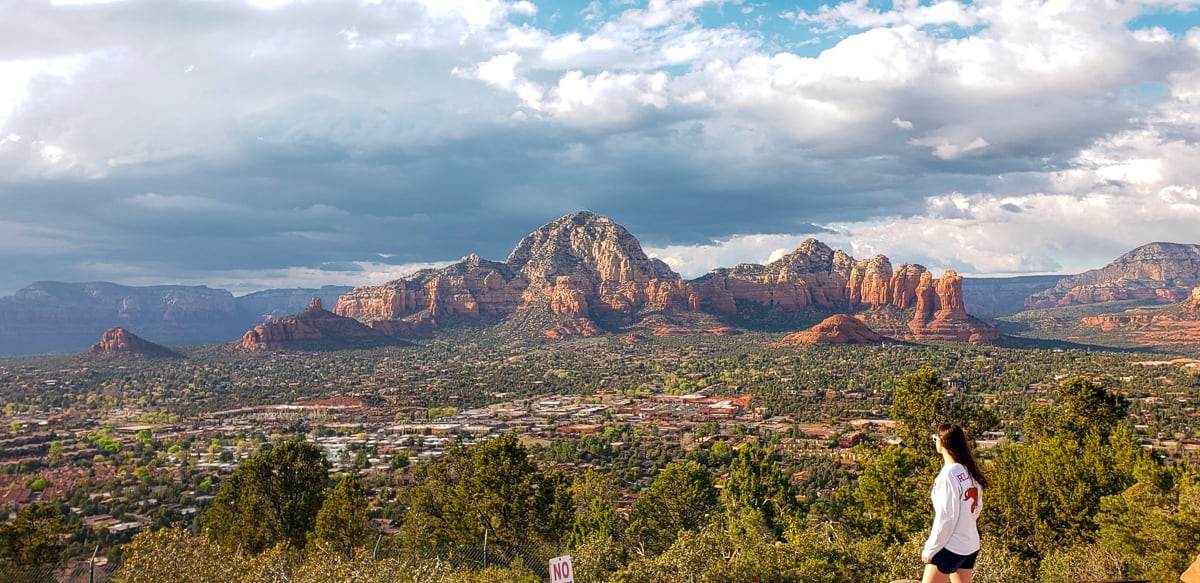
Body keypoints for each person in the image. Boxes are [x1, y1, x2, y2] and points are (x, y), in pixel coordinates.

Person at [921, 423, 989, 583]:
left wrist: (930, 549)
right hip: (970, 543)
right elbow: (977, 507)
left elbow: (946, 517)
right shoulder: (969, 471)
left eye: (935, 438)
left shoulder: (948, 475)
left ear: (942, 442)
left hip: (951, 546)